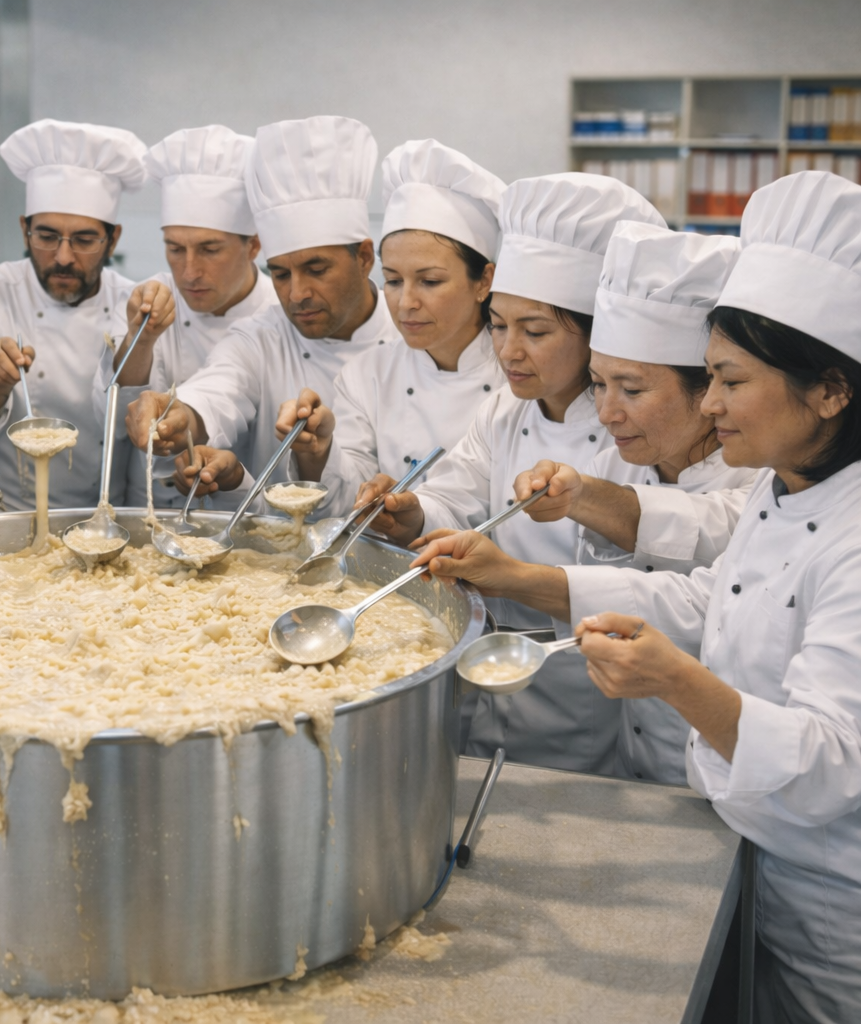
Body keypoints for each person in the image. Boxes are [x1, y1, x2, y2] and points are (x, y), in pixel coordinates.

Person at [468, 172, 861, 1022]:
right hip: (755, 858)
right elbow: (714, 598)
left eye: (730, 381)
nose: (713, 405)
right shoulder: (788, 486)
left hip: (835, 918)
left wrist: (677, 682)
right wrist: (516, 579)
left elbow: (834, 761)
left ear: (832, 391)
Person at [409, 221, 753, 784]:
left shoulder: (759, 477)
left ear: (709, 390)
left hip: (727, 770)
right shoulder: (627, 456)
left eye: (631, 389)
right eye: (598, 385)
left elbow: (697, 574)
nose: (608, 413)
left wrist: (530, 558)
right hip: (633, 750)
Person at [362, 173, 665, 775]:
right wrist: (412, 513)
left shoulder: (629, 435)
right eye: (499, 325)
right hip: (494, 669)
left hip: (587, 687)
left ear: (594, 332)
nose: (508, 351)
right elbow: (460, 491)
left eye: (536, 331)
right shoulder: (505, 409)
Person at [125, 116, 399, 508]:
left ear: (365, 258)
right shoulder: (260, 336)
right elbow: (219, 387)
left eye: (317, 270)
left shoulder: (412, 334)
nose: (297, 294)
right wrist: (182, 414)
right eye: (281, 274)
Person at [0, 119, 174, 510]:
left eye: (84, 240)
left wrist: (140, 339)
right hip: (1, 516)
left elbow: (127, 420)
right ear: (24, 230)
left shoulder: (130, 302)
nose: (63, 257)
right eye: (46, 237)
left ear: (113, 239)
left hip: (101, 518)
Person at [299, 140, 506, 512]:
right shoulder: (367, 375)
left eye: (429, 281)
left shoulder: (519, 378)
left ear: (483, 281)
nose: (406, 302)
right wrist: (320, 451)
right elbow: (345, 501)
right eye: (393, 280)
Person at [101, 124, 277, 508]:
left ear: (254, 246)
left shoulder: (279, 313)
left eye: (210, 250)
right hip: (152, 512)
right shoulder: (150, 297)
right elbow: (112, 421)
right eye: (175, 249)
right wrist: (141, 340)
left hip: (247, 516)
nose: (190, 271)